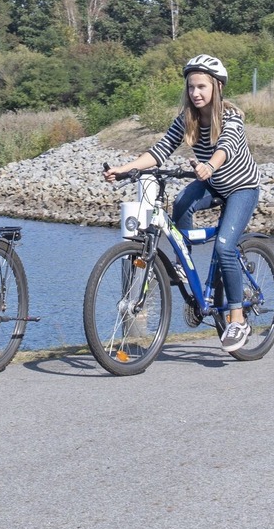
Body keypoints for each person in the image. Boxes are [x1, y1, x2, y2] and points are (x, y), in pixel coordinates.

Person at [105, 54, 261, 354]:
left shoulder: (231, 118)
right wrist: (124, 169)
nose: (195, 93)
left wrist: (209, 166)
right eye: (191, 87)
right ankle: (182, 264)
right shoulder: (187, 119)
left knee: (225, 247)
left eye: (202, 86)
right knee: (181, 202)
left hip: (242, 188)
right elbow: (160, 150)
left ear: (217, 87)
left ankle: (238, 318)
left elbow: (226, 148)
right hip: (211, 183)